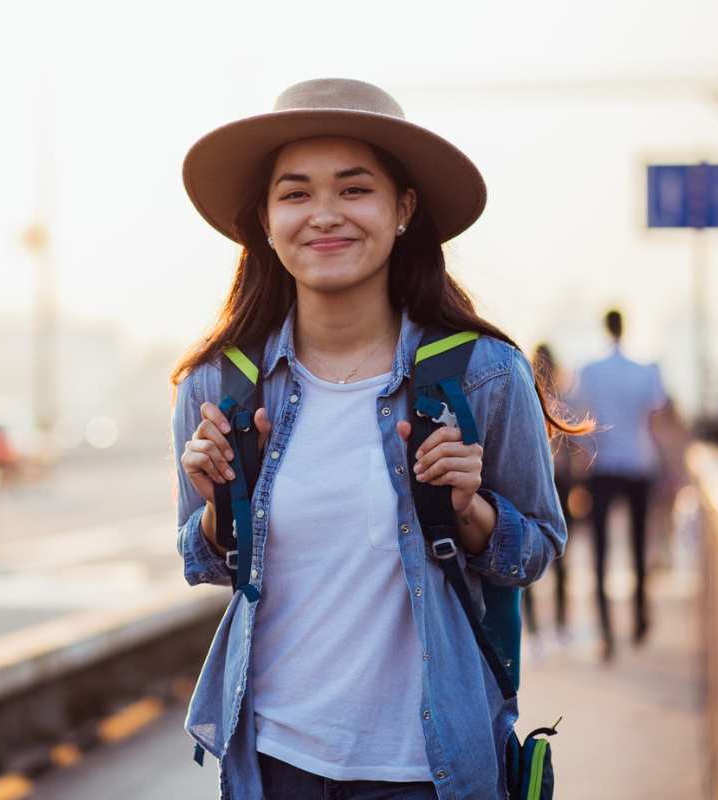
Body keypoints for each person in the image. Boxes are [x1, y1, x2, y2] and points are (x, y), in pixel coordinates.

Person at [171, 78, 583, 800]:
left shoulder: (483, 375)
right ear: (265, 221)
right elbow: (204, 562)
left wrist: (470, 512)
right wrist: (216, 506)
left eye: (354, 190)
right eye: (295, 194)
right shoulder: (220, 385)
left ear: (402, 210)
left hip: (427, 770)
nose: (324, 215)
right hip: (272, 763)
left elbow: (538, 548)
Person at [571, 309, 668, 661]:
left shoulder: (590, 371)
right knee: (639, 546)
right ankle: (640, 618)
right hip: (639, 464)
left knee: (600, 552)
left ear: (603, 326)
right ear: (625, 327)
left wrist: (583, 457)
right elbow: (656, 420)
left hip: (603, 466)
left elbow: (579, 421)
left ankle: (606, 631)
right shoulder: (645, 371)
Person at [521, 344, 575, 646]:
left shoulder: (523, 396)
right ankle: (559, 626)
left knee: (528, 556)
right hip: (559, 484)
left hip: (530, 485)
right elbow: (571, 453)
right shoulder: (560, 402)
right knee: (560, 557)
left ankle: (537, 630)